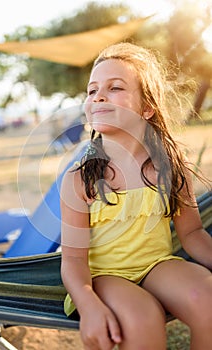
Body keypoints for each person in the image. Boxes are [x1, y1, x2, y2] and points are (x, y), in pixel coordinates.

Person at [60, 42, 212, 350]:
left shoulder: (170, 168)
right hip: (104, 276)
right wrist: (88, 305)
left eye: (115, 87)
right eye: (92, 91)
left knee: (208, 299)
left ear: (147, 107)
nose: (99, 96)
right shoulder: (80, 179)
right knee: (143, 318)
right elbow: (74, 258)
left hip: (157, 265)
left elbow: (193, 232)